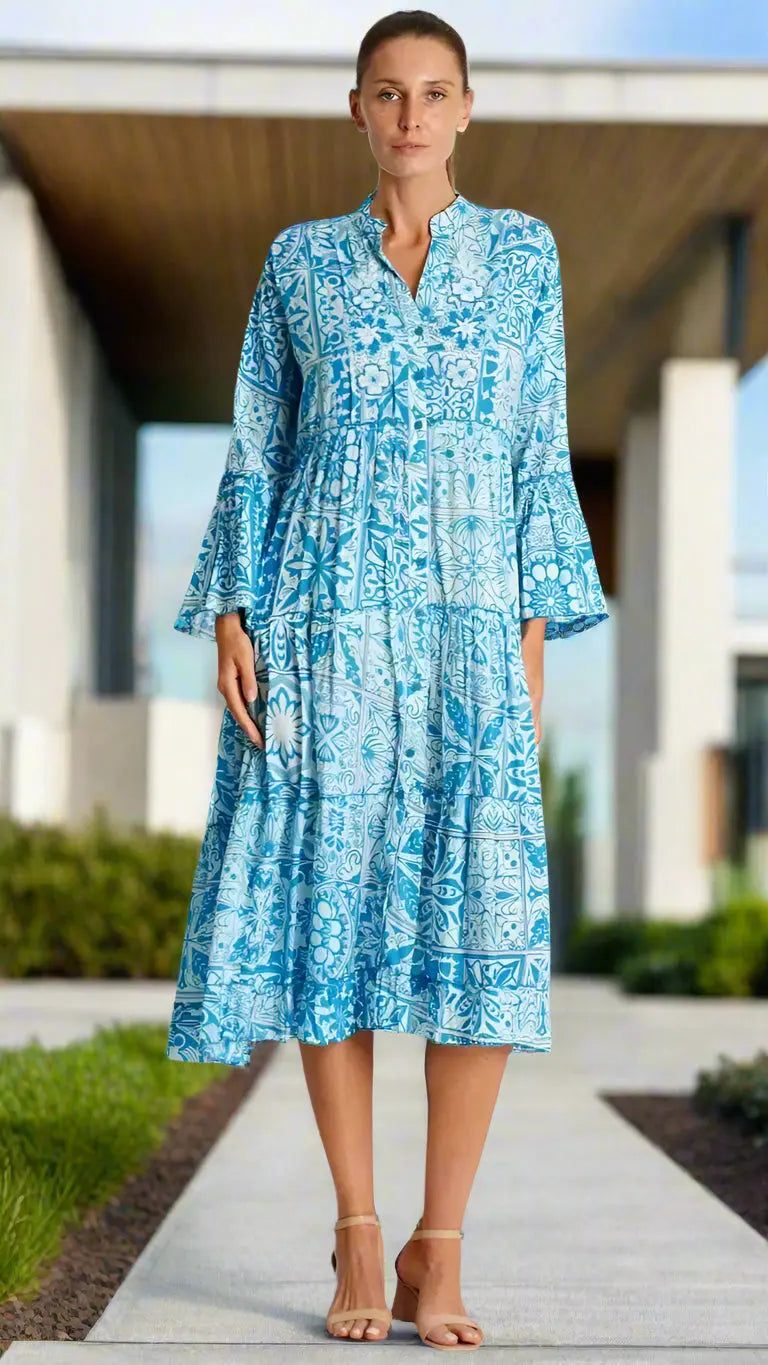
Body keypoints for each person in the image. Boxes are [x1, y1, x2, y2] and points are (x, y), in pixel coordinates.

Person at [166, 7, 609, 1352]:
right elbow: (259, 438)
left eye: (434, 92)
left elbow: (540, 449)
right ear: (356, 111)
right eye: (387, 94)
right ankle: (360, 1228)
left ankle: (443, 1242)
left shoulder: (523, 256)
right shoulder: (299, 264)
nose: (411, 116)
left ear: (467, 109)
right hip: (322, 626)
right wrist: (236, 607)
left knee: (475, 930)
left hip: (474, 632)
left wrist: (532, 644)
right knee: (334, 921)